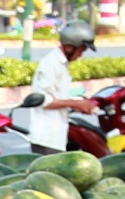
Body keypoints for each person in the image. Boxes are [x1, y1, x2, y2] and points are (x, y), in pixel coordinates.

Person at [26, 19, 99, 153]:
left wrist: (77, 106)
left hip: (57, 136)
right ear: (70, 47)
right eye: (80, 51)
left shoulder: (62, 64)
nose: (80, 56)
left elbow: (59, 97)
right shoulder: (51, 64)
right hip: (46, 139)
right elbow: (43, 100)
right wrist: (76, 104)